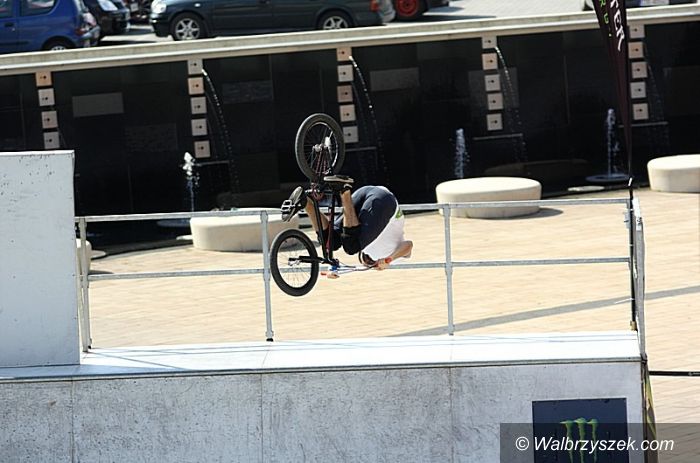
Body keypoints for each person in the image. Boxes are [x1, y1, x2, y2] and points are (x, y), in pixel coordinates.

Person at [282, 175, 413, 271]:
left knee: (331, 242)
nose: (368, 262)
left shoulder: (367, 241)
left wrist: (333, 271)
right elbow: (408, 247)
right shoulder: (386, 254)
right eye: (368, 262)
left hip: (369, 193)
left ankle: (306, 202)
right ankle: (344, 192)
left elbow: (347, 265)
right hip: (385, 202)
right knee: (351, 246)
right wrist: (390, 259)